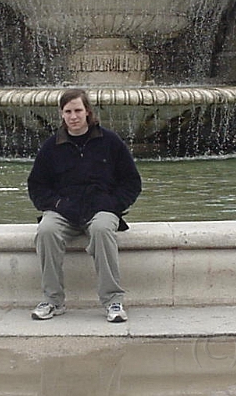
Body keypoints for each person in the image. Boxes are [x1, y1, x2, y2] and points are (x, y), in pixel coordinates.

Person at [28, 88, 142, 323]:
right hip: (64, 211)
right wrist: (58, 204)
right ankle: (52, 300)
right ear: (61, 114)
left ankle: (113, 301)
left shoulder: (110, 142)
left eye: (78, 110)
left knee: (101, 231)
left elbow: (132, 182)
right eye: (68, 111)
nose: (73, 116)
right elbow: (36, 186)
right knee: (46, 231)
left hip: (101, 210)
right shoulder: (51, 147)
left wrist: (111, 204)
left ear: (88, 112)